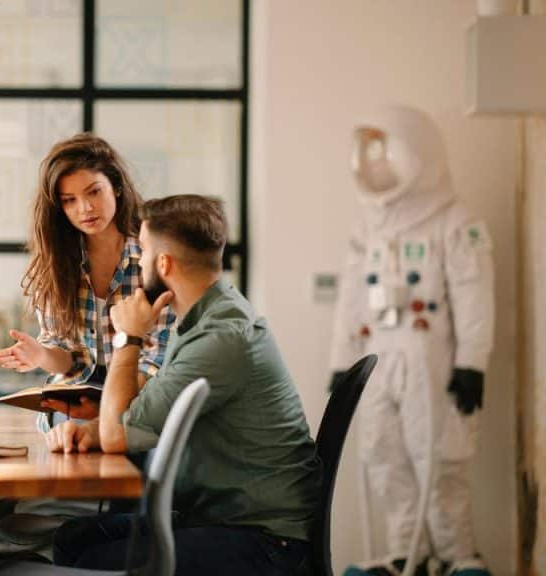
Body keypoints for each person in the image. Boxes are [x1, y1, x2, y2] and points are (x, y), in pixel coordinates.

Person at [45, 195, 321, 575]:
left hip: (266, 539)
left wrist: (128, 336)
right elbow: (137, 415)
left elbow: (117, 436)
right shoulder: (202, 318)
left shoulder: (221, 338)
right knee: (73, 539)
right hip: (222, 518)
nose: (138, 261)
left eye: (142, 250)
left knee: (95, 563)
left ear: (164, 263)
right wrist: (92, 429)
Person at [330, 105, 494, 576]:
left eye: (386, 152)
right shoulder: (368, 226)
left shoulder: (454, 221)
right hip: (380, 354)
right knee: (382, 452)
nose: (377, 165)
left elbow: (473, 293)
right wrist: (343, 361)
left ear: (417, 154)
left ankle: (458, 556)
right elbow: (352, 296)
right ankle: (409, 553)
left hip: (433, 356)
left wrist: (472, 362)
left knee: (441, 456)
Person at [0, 132, 175, 426]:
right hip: (75, 401)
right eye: (70, 200)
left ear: (115, 187)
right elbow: (69, 360)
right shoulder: (56, 265)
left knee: (84, 431)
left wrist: (106, 409)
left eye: (94, 192)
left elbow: (156, 359)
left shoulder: (152, 259)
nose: (85, 208)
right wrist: (41, 355)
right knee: (66, 429)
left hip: (139, 394)